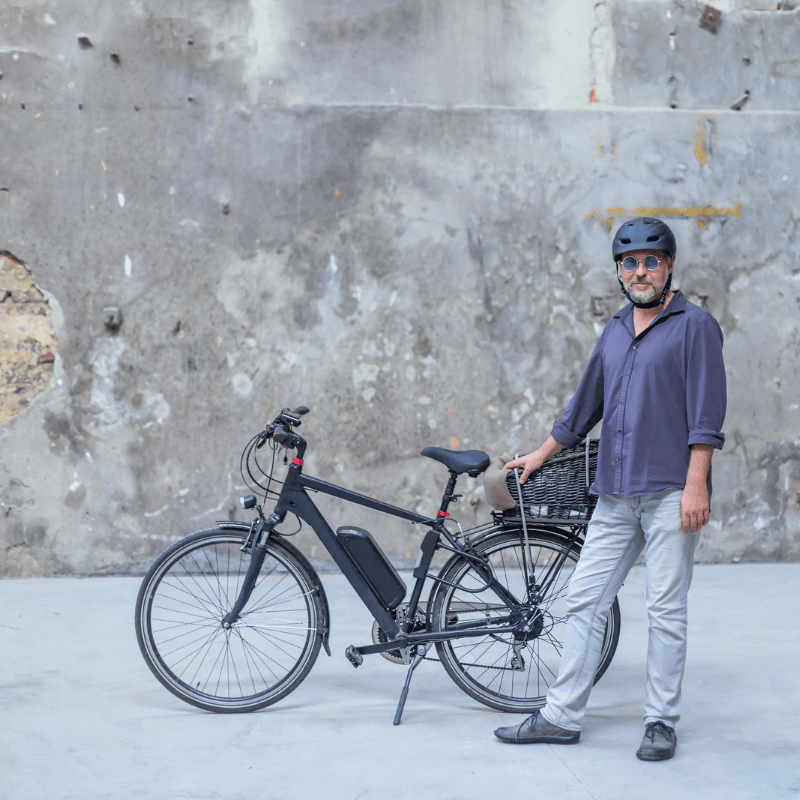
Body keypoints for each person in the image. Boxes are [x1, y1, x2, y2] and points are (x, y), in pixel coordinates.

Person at [493, 217, 726, 761]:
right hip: (615, 493)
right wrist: (541, 453)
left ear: (669, 266)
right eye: (630, 262)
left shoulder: (696, 326)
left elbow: (707, 415)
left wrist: (697, 486)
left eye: (650, 260)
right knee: (583, 601)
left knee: (665, 608)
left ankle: (661, 722)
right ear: (619, 271)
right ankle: (561, 715)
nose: (640, 270)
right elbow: (584, 407)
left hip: (671, 491)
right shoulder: (617, 328)